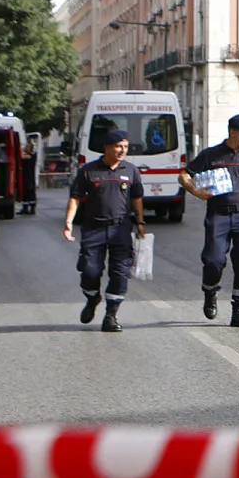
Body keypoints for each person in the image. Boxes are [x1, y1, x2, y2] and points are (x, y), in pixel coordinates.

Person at [181, 113, 239, 328]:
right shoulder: (211, 155)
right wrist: (196, 192)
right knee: (213, 260)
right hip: (218, 214)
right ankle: (210, 292)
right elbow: (184, 175)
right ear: (233, 132)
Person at [62, 128, 146, 333]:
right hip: (94, 229)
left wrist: (140, 222)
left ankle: (111, 315)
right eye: (118, 146)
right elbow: (75, 197)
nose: (122, 150)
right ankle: (92, 299)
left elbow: (137, 198)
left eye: (125, 147)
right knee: (90, 271)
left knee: (120, 273)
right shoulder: (89, 171)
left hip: (121, 228)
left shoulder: (131, 171)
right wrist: (68, 222)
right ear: (107, 147)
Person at [20, 138, 39, 215]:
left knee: (30, 192)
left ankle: (32, 208)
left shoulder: (32, 155)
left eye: (27, 147)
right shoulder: (28, 154)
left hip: (30, 177)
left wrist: (20, 150)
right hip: (24, 176)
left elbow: (23, 157)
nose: (25, 148)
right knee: (25, 193)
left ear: (30, 149)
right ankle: (25, 208)